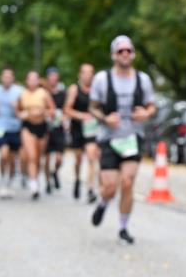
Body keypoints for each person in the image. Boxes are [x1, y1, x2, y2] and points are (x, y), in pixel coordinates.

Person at [88, 35, 156, 244]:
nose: (125, 54)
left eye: (129, 50)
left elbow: (151, 106)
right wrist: (105, 119)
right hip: (109, 139)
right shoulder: (102, 79)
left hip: (132, 138)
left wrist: (146, 114)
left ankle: (123, 228)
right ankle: (103, 202)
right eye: (121, 51)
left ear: (133, 54)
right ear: (113, 55)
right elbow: (93, 107)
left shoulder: (142, 79)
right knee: (109, 187)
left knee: (127, 183)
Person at [65, 62, 101, 202]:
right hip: (78, 128)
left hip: (92, 129)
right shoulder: (74, 89)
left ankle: (91, 189)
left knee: (92, 157)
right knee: (79, 159)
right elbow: (67, 109)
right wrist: (82, 116)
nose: (88, 75)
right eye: (85, 72)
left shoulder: (96, 89)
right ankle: (77, 180)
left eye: (90, 72)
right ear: (80, 74)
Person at [16, 70, 55, 200]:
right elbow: (18, 110)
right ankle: (33, 186)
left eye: (35, 79)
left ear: (38, 81)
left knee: (38, 158)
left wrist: (44, 112)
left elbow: (52, 110)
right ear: (26, 81)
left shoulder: (43, 94)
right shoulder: (23, 94)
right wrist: (23, 115)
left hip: (42, 127)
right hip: (28, 126)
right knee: (31, 156)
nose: (32, 82)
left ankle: (35, 178)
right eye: (30, 79)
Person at [0, 67, 23, 198]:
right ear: (1, 78)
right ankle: (3, 180)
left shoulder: (19, 91)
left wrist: (18, 107)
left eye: (9, 77)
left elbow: (24, 107)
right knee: (4, 154)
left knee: (13, 157)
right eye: (5, 76)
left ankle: (10, 182)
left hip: (15, 127)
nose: (7, 79)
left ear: (13, 78)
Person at [44, 67, 67, 195]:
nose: (53, 78)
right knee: (47, 158)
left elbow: (66, 108)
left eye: (55, 76)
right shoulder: (43, 93)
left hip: (58, 127)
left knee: (59, 158)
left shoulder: (63, 93)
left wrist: (64, 117)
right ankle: (47, 182)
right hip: (46, 128)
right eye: (51, 76)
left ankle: (55, 172)